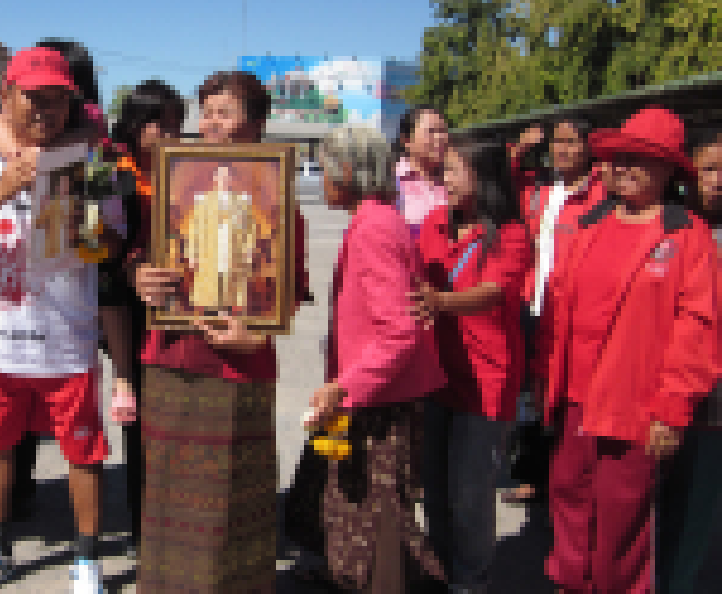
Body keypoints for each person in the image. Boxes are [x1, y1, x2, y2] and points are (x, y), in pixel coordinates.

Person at [0, 46, 114, 593]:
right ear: (6, 95)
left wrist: (88, 225)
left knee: (83, 453)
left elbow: (111, 243)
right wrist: (6, 187)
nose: (44, 111)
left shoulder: (90, 154)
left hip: (69, 339)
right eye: (33, 99)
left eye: (57, 102)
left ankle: (86, 561)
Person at [131, 70, 309, 594]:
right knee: (165, 493)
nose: (210, 123)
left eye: (224, 112)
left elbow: (290, 286)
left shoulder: (277, 195)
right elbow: (145, 257)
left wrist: (259, 337)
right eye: (206, 111)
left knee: (232, 498)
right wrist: (140, 277)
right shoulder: (173, 184)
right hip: (170, 356)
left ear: (254, 125)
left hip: (237, 362)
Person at [536, 106, 719, 594]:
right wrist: (546, 382)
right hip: (574, 403)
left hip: (634, 411)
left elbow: (697, 330)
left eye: (639, 158)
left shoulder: (687, 236)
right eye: (618, 157)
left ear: (669, 170)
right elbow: (556, 308)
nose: (623, 166)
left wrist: (671, 410)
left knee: (622, 535)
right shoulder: (589, 224)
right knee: (569, 513)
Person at [285, 125, 447, 593]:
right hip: (376, 392)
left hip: (380, 400)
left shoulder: (374, 227)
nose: (322, 181)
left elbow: (399, 332)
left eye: (326, 169)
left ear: (348, 172)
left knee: (380, 526)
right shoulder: (376, 219)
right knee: (364, 517)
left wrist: (346, 386)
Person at [413, 133, 531, 594]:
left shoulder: (512, 233)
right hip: (438, 374)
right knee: (436, 490)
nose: (445, 175)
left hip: (486, 381)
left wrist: (440, 300)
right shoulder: (435, 223)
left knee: (471, 496)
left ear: (483, 175)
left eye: (455, 168)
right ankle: (442, 570)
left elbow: (495, 293)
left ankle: (470, 581)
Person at [503, 118, 606, 506]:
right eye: (556, 143)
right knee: (530, 397)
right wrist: (520, 150)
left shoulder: (601, 191)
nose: (561, 150)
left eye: (570, 142)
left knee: (563, 398)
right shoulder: (541, 188)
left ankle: (568, 483)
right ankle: (533, 476)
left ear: (588, 147)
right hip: (534, 302)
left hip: (571, 310)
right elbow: (500, 177)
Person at [103, 79, 185, 551]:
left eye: (176, 124)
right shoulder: (116, 170)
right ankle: (141, 525)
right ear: (136, 126)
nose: (169, 132)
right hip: (129, 303)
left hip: (177, 303)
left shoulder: (186, 169)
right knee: (138, 418)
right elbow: (104, 250)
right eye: (160, 123)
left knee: (171, 411)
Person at [656, 125, 722, 594]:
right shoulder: (669, 226)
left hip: (715, 397)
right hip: (669, 386)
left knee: (699, 506)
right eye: (712, 168)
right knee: (667, 502)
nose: (719, 178)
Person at [182, 163, 258, 313]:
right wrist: (192, 254)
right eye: (221, 176)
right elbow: (194, 230)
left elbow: (250, 229)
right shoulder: (202, 200)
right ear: (215, 178)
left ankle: (228, 313)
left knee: (231, 285)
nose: (224, 179)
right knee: (210, 286)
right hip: (209, 250)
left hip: (233, 250)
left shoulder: (243, 201)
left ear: (232, 179)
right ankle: (211, 315)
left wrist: (249, 251)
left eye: (227, 176)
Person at [395, 106, 450, 238]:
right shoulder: (390, 182)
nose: (440, 138)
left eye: (443, 131)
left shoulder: (455, 179)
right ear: (406, 141)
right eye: (431, 131)